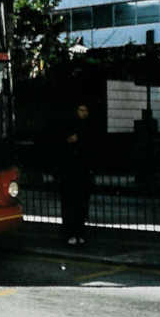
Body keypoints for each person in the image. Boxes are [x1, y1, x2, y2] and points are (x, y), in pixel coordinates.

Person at [59, 103, 95, 246]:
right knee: (72, 205)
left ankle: (78, 233)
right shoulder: (73, 129)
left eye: (86, 110)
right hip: (72, 174)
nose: (84, 113)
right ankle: (72, 233)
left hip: (80, 174)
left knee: (79, 206)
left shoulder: (85, 129)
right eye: (81, 110)